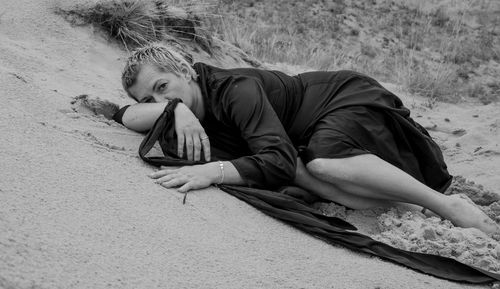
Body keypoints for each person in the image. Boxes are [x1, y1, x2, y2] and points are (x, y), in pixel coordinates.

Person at [114, 43, 499, 235]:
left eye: (165, 87)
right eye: (151, 99)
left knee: (319, 162)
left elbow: (275, 160)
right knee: (303, 172)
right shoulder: (179, 108)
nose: (160, 102)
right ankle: (411, 208)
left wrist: (213, 171)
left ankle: (450, 207)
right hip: (306, 137)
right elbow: (123, 114)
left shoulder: (235, 90)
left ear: (185, 70)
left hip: (346, 99)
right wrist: (174, 109)